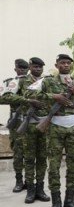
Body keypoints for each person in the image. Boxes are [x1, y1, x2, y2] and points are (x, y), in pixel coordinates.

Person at [35, 54, 74, 207]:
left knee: (73, 166)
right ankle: (56, 203)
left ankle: (70, 201)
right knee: (54, 166)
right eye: (62, 63)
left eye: (68, 63)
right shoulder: (48, 81)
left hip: (73, 128)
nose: (66, 65)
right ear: (56, 65)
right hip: (55, 127)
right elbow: (33, 96)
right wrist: (54, 96)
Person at [19, 57, 50, 203]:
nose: (38, 69)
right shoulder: (21, 81)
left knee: (42, 158)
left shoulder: (47, 82)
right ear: (30, 66)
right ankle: (30, 190)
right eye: (36, 66)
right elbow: (5, 97)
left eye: (40, 67)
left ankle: (40, 189)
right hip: (29, 125)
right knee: (30, 159)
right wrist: (28, 101)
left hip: (44, 125)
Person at [2, 59, 30, 193]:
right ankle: (19, 181)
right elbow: (3, 98)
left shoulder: (35, 82)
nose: (23, 71)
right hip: (17, 121)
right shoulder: (10, 82)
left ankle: (29, 181)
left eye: (25, 68)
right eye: (21, 68)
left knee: (31, 153)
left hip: (31, 121)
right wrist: (24, 100)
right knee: (18, 153)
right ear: (16, 69)